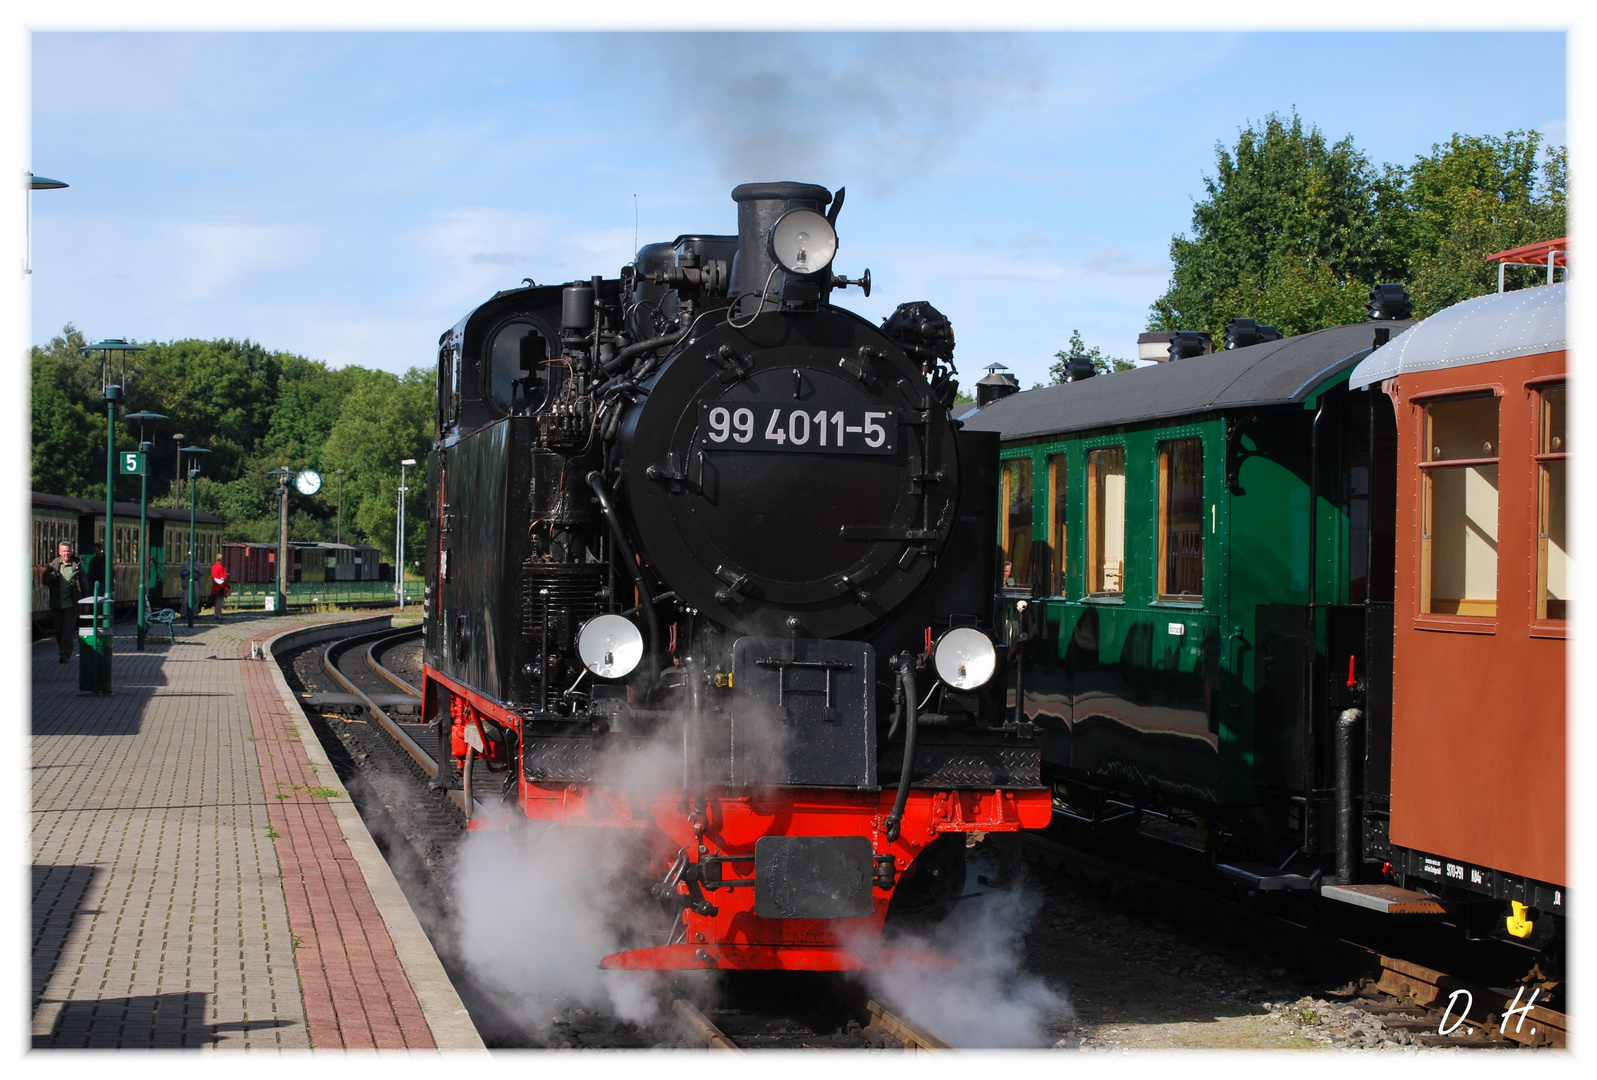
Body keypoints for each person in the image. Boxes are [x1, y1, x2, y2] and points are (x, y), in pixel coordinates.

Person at [41, 541, 88, 663]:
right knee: (58, 630)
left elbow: (84, 584)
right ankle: (62, 649)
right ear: (59, 552)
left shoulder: (76, 566)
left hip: (71, 604)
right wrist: (50, 578)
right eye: (64, 551)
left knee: (67, 631)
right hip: (57, 603)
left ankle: (65, 653)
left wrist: (86, 602)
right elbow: (44, 580)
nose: (66, 553)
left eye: (68, 551)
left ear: (71, 551)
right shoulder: (54, 565)